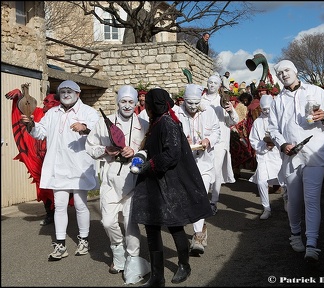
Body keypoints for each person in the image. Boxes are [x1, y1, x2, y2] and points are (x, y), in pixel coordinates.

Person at [131, 88, 213, 286]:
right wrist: (142, 155)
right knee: (151, 227)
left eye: (148, 105)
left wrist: (148, 165)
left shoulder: (167, 123)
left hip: (169, 183)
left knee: (175, 225)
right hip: (153, 182)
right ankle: (157, 276)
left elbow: (172, 153)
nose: (147, 108)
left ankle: (184, 265)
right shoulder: (157, 122)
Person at [267, 60, 324, 263]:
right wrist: (282, 144)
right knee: (295, 200)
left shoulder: (316, 91)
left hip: (315, 152)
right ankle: (295, 234)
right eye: (279, 72)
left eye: (287, 70)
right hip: (291, 156)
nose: (283, 74)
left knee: (312, 199)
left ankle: (312, 244)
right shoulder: (277, 101)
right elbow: (273, 128)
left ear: (295, 71)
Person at [20, 80, 100, 261]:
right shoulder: (52, 113)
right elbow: (40, 132)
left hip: (80, 166)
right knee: (60, 206)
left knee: (81, 205)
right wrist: (30, 125)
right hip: (58, 166)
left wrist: (85, 128)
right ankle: (61, 244)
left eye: (70, 91)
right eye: (62, 91)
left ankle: (84, 240)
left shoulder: (88, 112)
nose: (65, 94)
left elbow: (98, 131)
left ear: (78, 93)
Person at [85, 85, 150, 283]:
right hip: (111, 177)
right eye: (123, 101)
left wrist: (137, 153)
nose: (127, 106)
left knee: (131, 224)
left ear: (137, 103)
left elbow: (150, 150)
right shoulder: (105, 123)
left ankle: (133, 257)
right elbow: (90, 146)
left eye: (131, 102)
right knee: (107, 221)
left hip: (134, 178)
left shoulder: (143, 124)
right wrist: (106, 149)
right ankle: (118, 250)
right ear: (118, 102)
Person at [5, 90, 74, 226]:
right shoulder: (37, 113)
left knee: (64, 188)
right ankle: (50, 214)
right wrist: (19, 96)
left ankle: (63, 212)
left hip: (60, 160)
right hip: (41, 160)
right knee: (43, 188)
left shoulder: (64, 116)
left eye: (48, 101)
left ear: (56, 103)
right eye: (45, 100)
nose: (44, 103)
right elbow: (24, 109)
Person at [175, 83, 221, 255]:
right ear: (184, 100)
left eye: (196, 103)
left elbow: (216, 131)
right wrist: (181, 139)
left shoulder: (209, 111)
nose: (193, 107)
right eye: (189, 103)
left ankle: (198, 235)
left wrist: (208, 140)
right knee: (188, 196)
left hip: (204, 161)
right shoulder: (176, 113)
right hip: (185, 162)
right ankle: (201, 226)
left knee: (199, 193)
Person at [200, 75, 239, 215]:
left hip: (219, 141)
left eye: (215, 83)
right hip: (203, 140)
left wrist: (231, 111)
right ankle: (202, 200)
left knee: (216, 171)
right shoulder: (201, 99)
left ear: (219, 86)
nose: (212, 85)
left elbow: (233, 121)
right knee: (202, 170)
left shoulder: (223, 100)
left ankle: (213, 201)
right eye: (210, 82)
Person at [248, 95, 283, 220]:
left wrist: (277, 143)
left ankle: (287, 201)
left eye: (269, 108)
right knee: (262, 181)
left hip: (278, 156)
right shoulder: (257, 122)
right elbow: (253, 140)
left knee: (285, 181)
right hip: (263, 157)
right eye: (264, 109)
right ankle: (266, 208)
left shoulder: (279, 120)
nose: (267, 111)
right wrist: (265, 145)